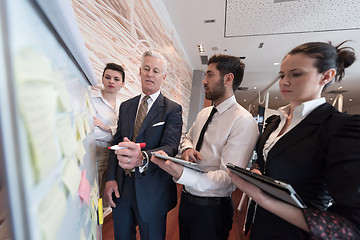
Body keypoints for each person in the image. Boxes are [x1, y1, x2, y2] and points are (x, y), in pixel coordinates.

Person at [228, 41, 360, 239]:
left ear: (326, 76)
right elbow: (267, 161)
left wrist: (264, 198)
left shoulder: (338, 127)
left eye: (296, 74)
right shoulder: (275, 122)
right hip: (261, 225)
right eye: (282, 75)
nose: (284, 82)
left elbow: (350, 226)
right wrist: (256, 171)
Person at [152, 54, 259, 240]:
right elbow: (188, 138)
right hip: (186, 201)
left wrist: (181, 173)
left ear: (228, 78)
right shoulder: (204, 113)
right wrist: (186, 149)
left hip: (213, 210)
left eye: (210, 74)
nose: (204, 81)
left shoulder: (243, 121)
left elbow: (229, 178)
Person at [104, 50, 182, 240]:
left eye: (155, 71)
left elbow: (170, 147)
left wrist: (142, 158)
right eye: (146, 69)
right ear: (139, 71)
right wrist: (110, 178)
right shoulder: (126, 106)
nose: (150, 74)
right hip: (122, 189)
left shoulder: (172, 109)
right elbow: (116, 142)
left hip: (152, 190)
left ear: (163, 77)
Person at [91, 63, 125, 212]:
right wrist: (114, 131)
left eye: (116, 79)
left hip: (115, 156)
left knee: (106, 198)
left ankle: (97, 228)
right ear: (103, 79)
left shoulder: (124, 106)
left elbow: (124, 132)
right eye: (108, 77)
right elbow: (91, 131)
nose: (111, 81)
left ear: (122, 84)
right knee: (91, 194)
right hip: (96, 152)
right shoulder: (93, 101)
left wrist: (106, 127)